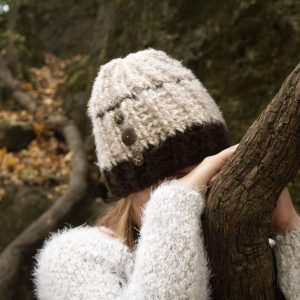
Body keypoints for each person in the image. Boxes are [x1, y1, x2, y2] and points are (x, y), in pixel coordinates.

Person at [32, 48, 300, 300]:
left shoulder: (254, 244)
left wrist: (290, 228)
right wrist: (173, 203)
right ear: (130, 189)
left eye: (209, 170)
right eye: (174, 181)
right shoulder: (74, 259)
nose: (201, 191)